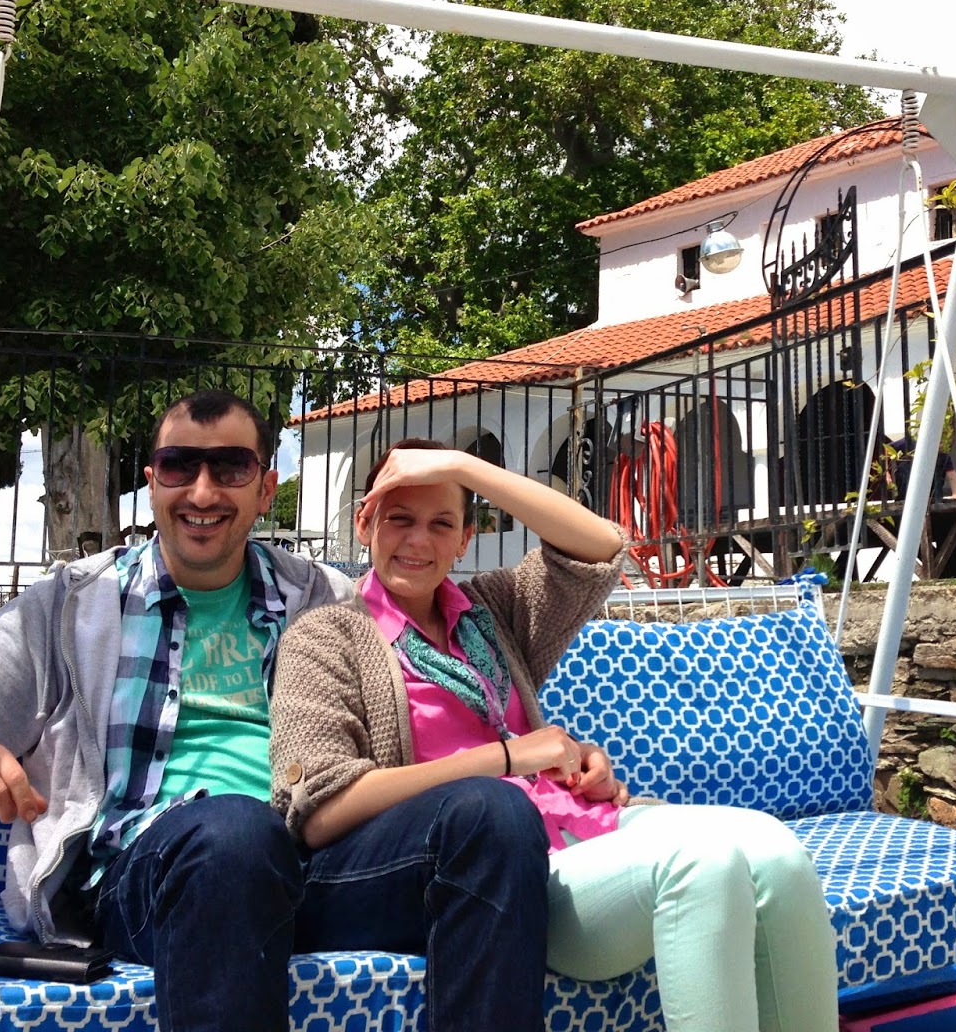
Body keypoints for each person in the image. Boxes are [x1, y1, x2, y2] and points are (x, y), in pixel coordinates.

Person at [0, 391, 551, 1032]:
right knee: (236, 832)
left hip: (318, 869)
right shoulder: (73, 606)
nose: (204, 491)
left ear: (266, 488)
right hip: (149, 879)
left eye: (231, 467)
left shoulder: (329, 600)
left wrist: (557, 762)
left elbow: (557, 580)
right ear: (152, 481)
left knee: (494, 815)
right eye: (179, 466)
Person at [270, 438, 840, 1032]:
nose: (418, 540)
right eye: (399, 519)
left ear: (465, 538)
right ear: (364, 524)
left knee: (777, 852)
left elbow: (600, 548)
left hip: (587, 822)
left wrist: (463, 466)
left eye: (442, 523)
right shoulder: (326, 635)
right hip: (505, 870)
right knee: (704, 863)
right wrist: (507, 757)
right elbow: (319, 807)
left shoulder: (491, 610)